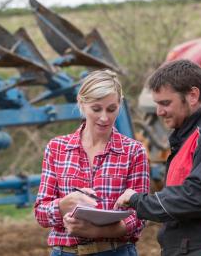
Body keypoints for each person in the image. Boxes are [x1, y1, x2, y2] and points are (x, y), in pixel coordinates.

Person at [115, 60, 201, 256]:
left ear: (193, 95)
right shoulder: (186, 138)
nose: (159, 112)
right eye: (157, 104)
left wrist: (139, 202)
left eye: (166, 103)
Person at [34, 69, 150, 256]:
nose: (104, 117)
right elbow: (41, 212)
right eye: (96, 109)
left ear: (119, 105)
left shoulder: (133, 151)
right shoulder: (57, 148)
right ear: (81, 103)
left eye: (111, 109)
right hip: (65, 252)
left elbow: (140, 216)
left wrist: (98, 231)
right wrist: (65, 204)